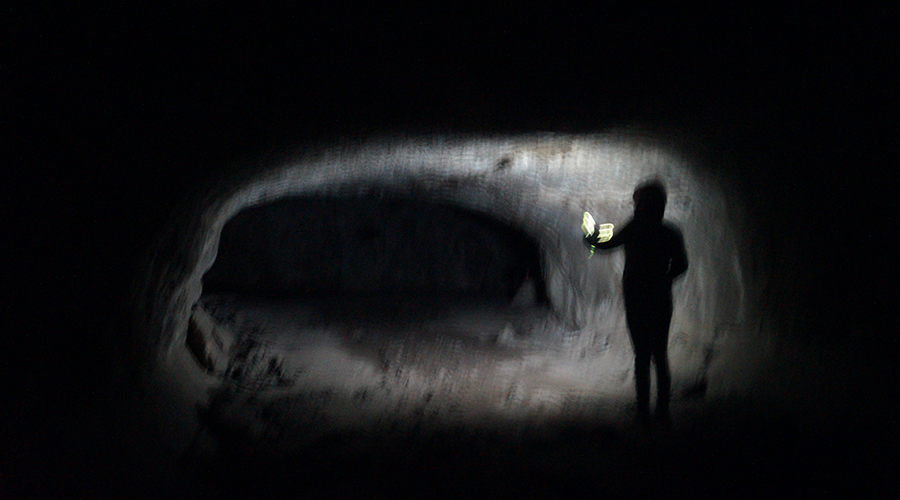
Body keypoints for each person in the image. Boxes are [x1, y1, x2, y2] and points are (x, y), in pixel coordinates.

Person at [584, 179, 688, 429]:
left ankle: (643, 413)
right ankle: (662, 412)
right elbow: (682, 264)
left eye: (637, 199)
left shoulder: (635, 228)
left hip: (637, 298)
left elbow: (607, 244)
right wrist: (666, 278)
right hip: (661, 299)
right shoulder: (669, 231)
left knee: (642, 355)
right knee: (660, 355)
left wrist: (589, 236)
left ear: (641, 203)